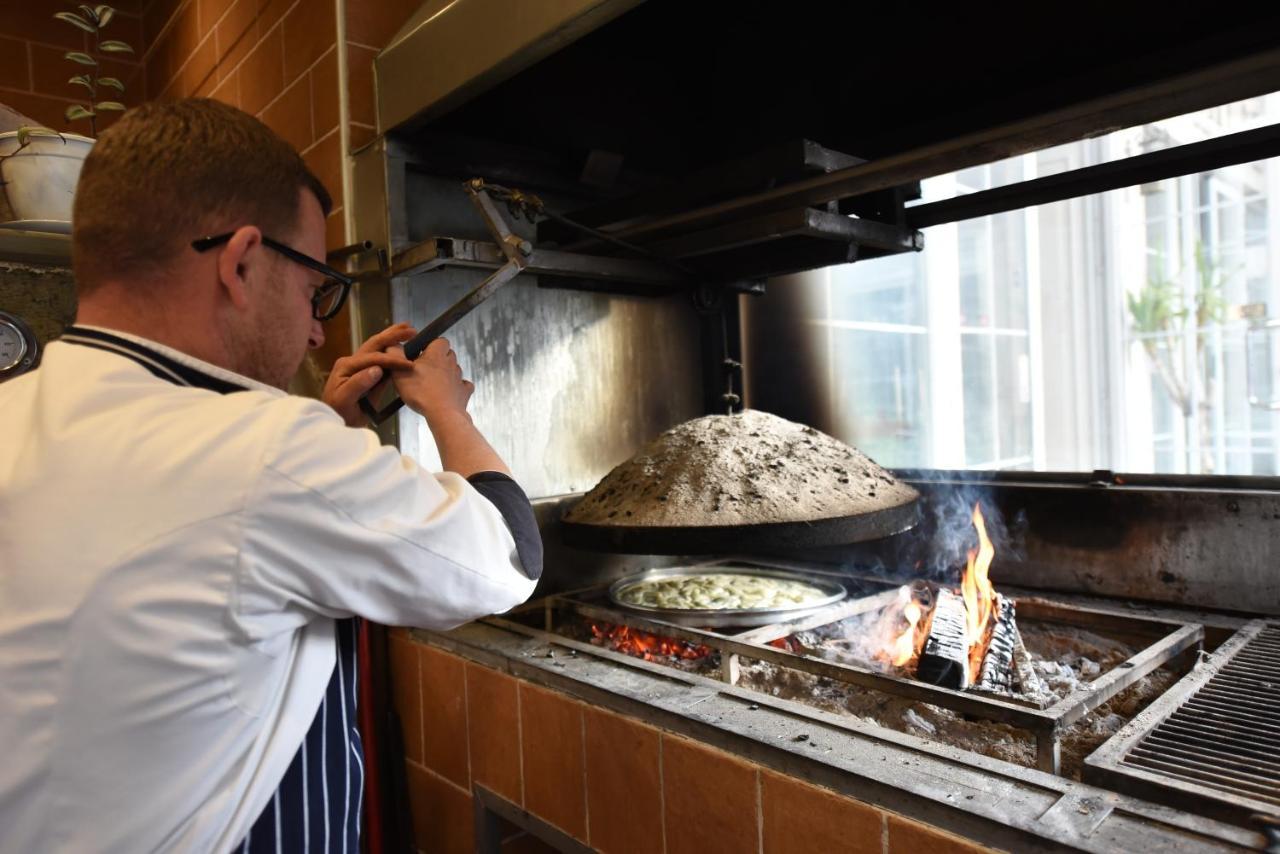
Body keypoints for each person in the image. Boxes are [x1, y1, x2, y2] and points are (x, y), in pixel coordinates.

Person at [0, 98, 542, 853]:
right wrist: (451, 411)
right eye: (315, 287)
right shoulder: (260, 448)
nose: (319, 326)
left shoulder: (16, 411)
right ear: (241, 262)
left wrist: (338, 436)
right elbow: (510, 558)